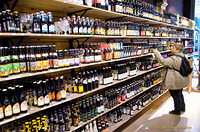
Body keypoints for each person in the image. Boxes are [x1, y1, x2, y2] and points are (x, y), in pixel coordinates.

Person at [153, 43, 189, 115]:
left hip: (176, 80)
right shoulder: (183, 56)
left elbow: (163, 61)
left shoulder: (174, 59)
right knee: (179, 94)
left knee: (175, 95)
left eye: (173, 47)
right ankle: (182, 107)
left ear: (177, 50)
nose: (171, 48)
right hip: (181, 79)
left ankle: (177, 110)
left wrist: (156, 53)